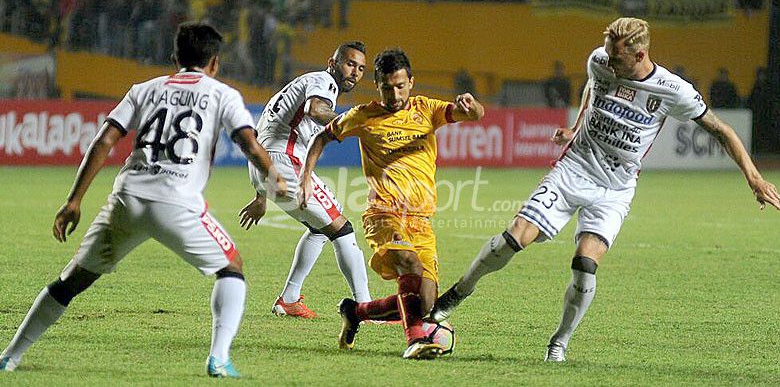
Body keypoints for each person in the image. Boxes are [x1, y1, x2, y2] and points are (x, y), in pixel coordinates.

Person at [430, 17, 780, 362]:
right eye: (608, 54)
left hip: (615, 189)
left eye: (617, 57)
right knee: (515, 237)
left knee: (585, 264)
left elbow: (721, 130)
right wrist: (575, 126)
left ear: (640, 55)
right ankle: (458, 293)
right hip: (573, 169)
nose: (608, 61)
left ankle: (559, 343)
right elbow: (592, 87)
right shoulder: (600, 61)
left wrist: (754, 178)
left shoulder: (674, 91)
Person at [0, 23, 286, 378]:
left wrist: (74, 201)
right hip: (178, 202)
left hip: (128, 198)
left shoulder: (145, 89)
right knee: (231, 267)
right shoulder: (222, 94)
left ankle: (10, 355)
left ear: (175, 57)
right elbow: (248, 141)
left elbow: (103, 141)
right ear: (215, 62)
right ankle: (219, 358)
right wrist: (274, 177)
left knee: (71, 281)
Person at [297, 48, 484, 359]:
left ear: (411, 82)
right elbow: (322, 138)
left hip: (421, 220)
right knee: (408, 264)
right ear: (377, 84)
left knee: (423, 304)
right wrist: (305, 177)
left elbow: (474, 115)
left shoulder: (428, 110)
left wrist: (472, 105)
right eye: (387, 87)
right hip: (384, 215)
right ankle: (415, 340)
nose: (394, 94)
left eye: (400, 86)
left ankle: (355, 312)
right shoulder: (363, 116)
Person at [240, 41, 371, 318]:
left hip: (268, 166)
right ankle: (366, 307)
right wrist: (353, 123)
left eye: (360, 68)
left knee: (320, 229)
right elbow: (316, 110)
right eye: (349, 64)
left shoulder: (299, 84)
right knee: (342, 229)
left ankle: (289, 298)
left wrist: (260, 195)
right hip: (284, 163)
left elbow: (263, 131)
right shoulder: (323, 81)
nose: (355, 72)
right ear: (332, 62)